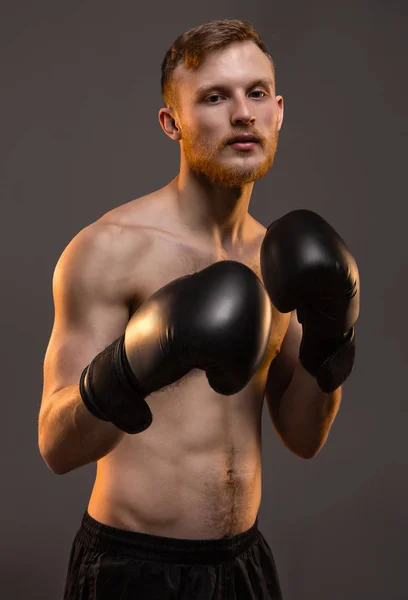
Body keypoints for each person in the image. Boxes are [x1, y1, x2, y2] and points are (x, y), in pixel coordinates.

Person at [38, 18, 360, 600]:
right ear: (173, 123)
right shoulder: (110, 249)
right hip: (131, 566)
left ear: (278, 111)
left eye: (256, 93)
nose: (243, 113)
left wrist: (330, 339)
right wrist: (134, 364)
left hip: (244, 564)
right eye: (215, 97)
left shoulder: (281, 258)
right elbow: (57, 447)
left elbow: (304, 435)